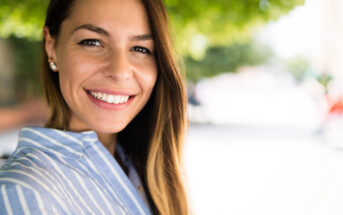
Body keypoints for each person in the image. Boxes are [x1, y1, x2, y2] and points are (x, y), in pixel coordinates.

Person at [0, 0, 190, 214]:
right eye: (92, 42)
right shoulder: (25, 193)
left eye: (140, 48)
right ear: (51, 47)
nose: (119, 71)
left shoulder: (144, 169)